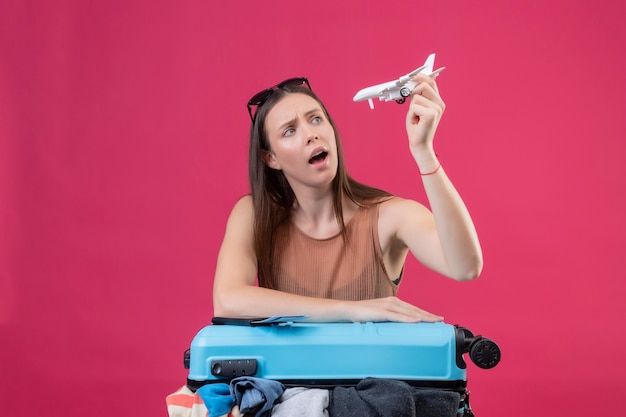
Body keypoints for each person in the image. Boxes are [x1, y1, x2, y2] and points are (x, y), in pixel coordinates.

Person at [212, 72, 482, 323]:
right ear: (270, 158)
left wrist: (424, 152)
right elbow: (228, 300)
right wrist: (350, 310)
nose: (311, 134)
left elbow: (465, 267)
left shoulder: (389, 216)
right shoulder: (253, 213)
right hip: (287, 375)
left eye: (315, 119)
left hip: (372, 374)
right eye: (289, 131)